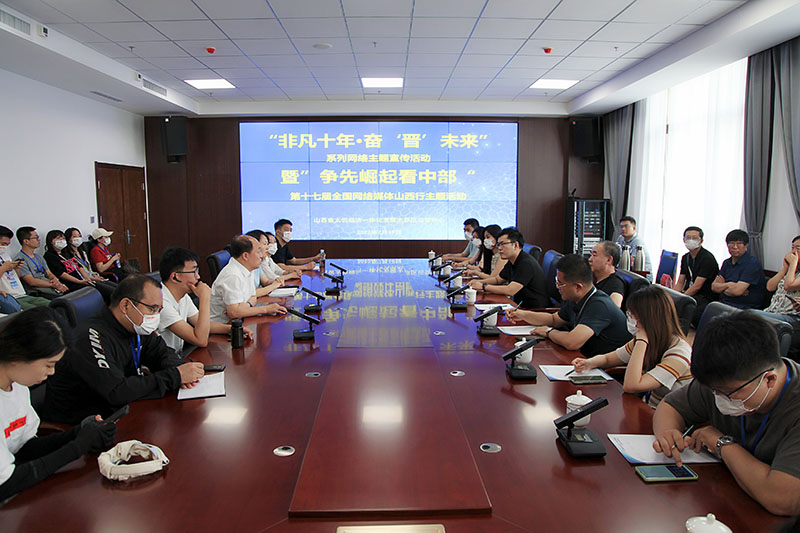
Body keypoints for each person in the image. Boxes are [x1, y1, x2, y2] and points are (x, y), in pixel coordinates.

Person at [652, 312, 800, 516]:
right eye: (714, 391)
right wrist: (667, 433)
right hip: (724, 498)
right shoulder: (721, 379)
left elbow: (782, 499)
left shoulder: (788, 402)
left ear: (769, 380)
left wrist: (721, 443)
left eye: (727, 393)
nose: (718, 398)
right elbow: (670, 406)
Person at [41, 275, 205, 424]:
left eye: (159, 310)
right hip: (83, 424)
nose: (155, 316)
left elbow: (161, 353)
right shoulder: (90, 337)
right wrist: (175, 376)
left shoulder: (135, 326)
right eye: (152, 309)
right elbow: (116, 391)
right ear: (126, 305)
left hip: (121, 410)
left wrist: (181, 370)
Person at [0, 308, 117, 501]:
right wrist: (78, 447)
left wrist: (78, 433)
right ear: (17, 356)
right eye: (49, 364)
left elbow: (24, 448)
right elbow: (6, 484)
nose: (52, 372)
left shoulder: (18, 385)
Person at [571, 285, 692, 407]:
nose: (630, 319)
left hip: (666, 414)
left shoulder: (679, 352)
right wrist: (588, 363)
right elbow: (608, 359)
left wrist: (641, 341)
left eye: (632, 315)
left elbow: (632, 385)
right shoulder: (649, 339)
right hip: (646, 406)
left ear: (648, 319)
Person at [506, 254, 631, 356]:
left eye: (560, 283)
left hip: (606, 371)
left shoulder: (599, 305)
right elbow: (554, 319)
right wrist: (522, 314)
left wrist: (548, 332)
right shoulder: (576, 298)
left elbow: (572, 342)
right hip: (584, 359)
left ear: (578, 287)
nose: (557, 287)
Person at [158, 247, 254, 354]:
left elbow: (205, 325)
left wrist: (232, 329)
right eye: (193, 271)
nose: (198, 276)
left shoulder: (183, 297)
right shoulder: (161, 302)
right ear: (175, 277)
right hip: (165, 361)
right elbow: (201, 340)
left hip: (177, 356)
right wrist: (204, 297)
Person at [210, 235, 288, 323]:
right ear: (245, 256)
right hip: (225, 326)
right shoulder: (232, 275)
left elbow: (253, 296)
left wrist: (245, 307)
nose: (261, 255)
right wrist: (266, 309)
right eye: (258, 252)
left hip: (241, 320)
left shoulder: (248, 269)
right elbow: (234, 313)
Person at [467, 227, 547, 308]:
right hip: (518, 305)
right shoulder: (512, 260)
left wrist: (483, 286)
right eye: (498, 244)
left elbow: (510, 290)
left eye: (503, 244)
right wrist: (478, 282)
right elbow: (498, 279)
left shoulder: (526, 263)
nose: (499, 248)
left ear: (515, 245)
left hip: (533, 309)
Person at [675, 226, 719, 326]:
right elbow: (680, 283)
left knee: (684, 309)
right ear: (684, 240)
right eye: (688, 238)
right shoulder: (686, 257)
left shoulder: (707, 258)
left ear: (701, 241)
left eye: (694, 238)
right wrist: (673, 296)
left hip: (705, 297)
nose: (691, 240)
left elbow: (697, 286)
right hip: (691, 294)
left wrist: (681, 299)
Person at [711, 229, 766, 309]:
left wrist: (723, 287)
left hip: (745, 307)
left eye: (739, 244)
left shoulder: (752, 263)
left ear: (746, 245)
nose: (735, 247)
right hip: (724, 303)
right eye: (732, 243)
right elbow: (714, 287)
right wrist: (729, 285)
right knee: (709, 308)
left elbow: (736, 291)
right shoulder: (726, 263)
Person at [0, 226, 50, 313]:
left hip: (21, 293)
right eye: (3, 244)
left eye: (7, 245)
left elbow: (15, 276)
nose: (5, 247)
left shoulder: (5, 255)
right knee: (38, 313)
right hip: (10, 298)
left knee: (53, 305)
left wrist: (17, 268)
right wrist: (4, 267)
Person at [755, 235, 800, 324]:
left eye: (798, 249)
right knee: (742, 315)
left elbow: (788, 286)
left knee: (750, 314)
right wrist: (785, 268)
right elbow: (769, 287)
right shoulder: (790, 270)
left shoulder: (793, 269)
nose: (793, 252)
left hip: (790, 315)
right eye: (792, 248)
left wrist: (793, 265)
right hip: (772, 311)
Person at [13, 226, 68, 299]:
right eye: (36, 237)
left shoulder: (38, 257)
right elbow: (31, 281)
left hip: (49, 284)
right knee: (62, 299)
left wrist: (56, 281)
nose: (39, 239)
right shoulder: (20, 260)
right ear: (26, 241)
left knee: (68, 292)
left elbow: (49, 273)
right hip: (37, 290)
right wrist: (53, 285)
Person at [245, 229, 298, 296]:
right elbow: (251, 294)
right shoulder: (244, 267)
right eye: (265, 244)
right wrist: (273, 286)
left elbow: (266, 281)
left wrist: (277, 281)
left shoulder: (259, 262)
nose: (267, 247)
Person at [588, 240, 624, 308]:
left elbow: (614, 309)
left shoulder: (615, 284)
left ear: (609, 260)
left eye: (594, 255)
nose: (590, 259)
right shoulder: (593, 278)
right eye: (591, 255)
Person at [616, 216, 652, 281]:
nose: (623, 229)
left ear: (634, 228)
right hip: (627, 272)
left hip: (642, 277)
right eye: (621, 227)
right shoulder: (620, 238)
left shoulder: (637, 241)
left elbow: (632, 262)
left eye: (626, 226)